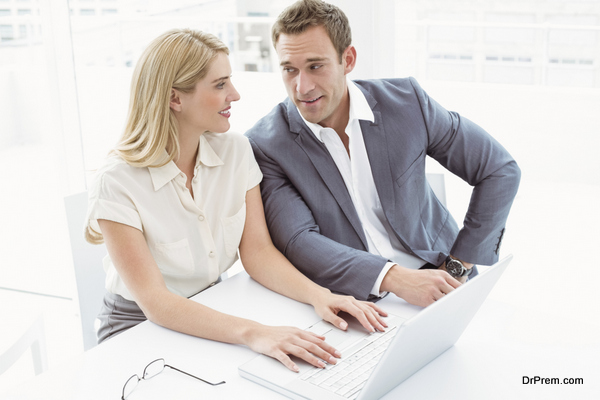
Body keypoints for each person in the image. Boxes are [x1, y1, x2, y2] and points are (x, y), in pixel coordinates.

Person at [84, 28, 387, 373]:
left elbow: (257, 253)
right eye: (220, 85)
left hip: (210, 311)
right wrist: (255, 333)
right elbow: (156, 303)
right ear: (175, 99)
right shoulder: (116, 181)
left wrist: (320, 296)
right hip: (136, 328)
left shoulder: (235, 151)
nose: (235, 94)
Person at [245, 0, 521, 307]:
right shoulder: (266, 144)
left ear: (347, 60)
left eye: (315, 66)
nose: (302, 86)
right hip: (355, 298)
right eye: (289, 70)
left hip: (442, 278)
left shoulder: (406, 103)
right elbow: (299, 241)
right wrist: (393, 278)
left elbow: (498, 169)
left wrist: (458, 266)